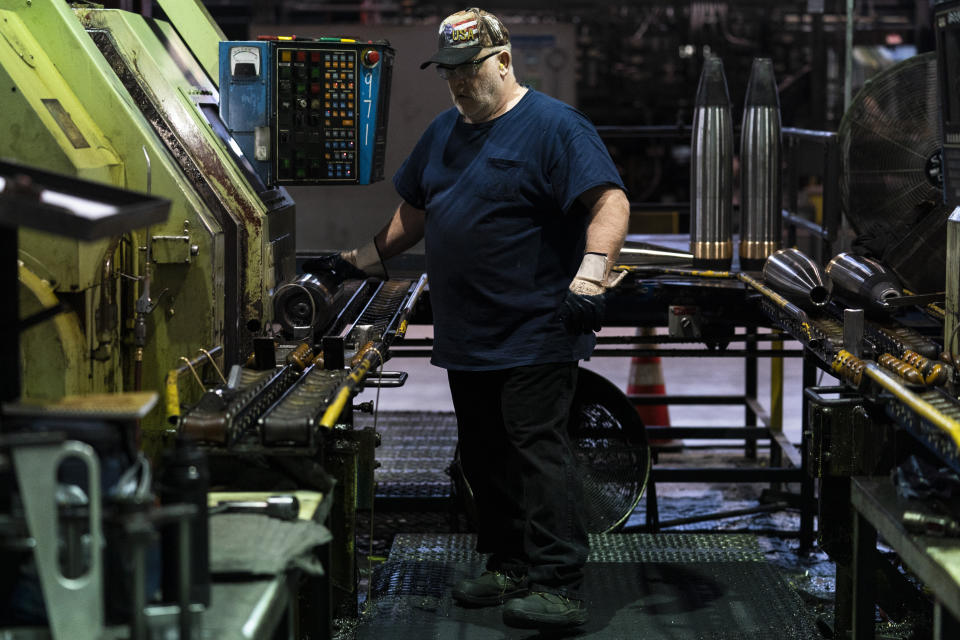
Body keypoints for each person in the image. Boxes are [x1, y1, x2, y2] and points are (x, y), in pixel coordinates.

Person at [327, 7, 629, 629]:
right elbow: (418, 209)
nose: (460, 82)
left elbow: (610, 199)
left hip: (536, 330)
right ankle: (509, 562)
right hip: (468, 335)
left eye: (470, 69)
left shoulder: (554, 127)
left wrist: (591, 271)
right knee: (485, 456)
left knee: (537, 454)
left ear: (504, 61)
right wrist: (363, 257)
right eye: (450, 72)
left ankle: (560, 583)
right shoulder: (443, 132)